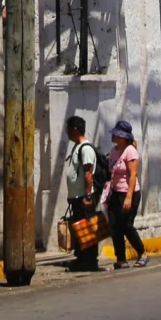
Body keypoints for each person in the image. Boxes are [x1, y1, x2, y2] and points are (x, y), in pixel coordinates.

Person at [103, 120, 148, 269]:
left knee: (127, 226)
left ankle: (142, 253)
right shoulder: (114, 151)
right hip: (115, 193)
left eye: (117, 134)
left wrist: (128, 197)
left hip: (129, 194)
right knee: (115, 227)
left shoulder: (130, 151)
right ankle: (121, 258)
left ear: (124, 137)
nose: (114, 136)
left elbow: (133, 175)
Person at [64, 116, 100, 272]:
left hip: (84, 197)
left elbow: (88, 174)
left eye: (68, 129)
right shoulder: (77, 147)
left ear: (75, 130)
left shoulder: (86, 149)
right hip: (77, 197)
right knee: (80, 229)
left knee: (87, 229)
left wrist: (87, 196)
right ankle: (81, 259)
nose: (67, 132)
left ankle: (90, 261)